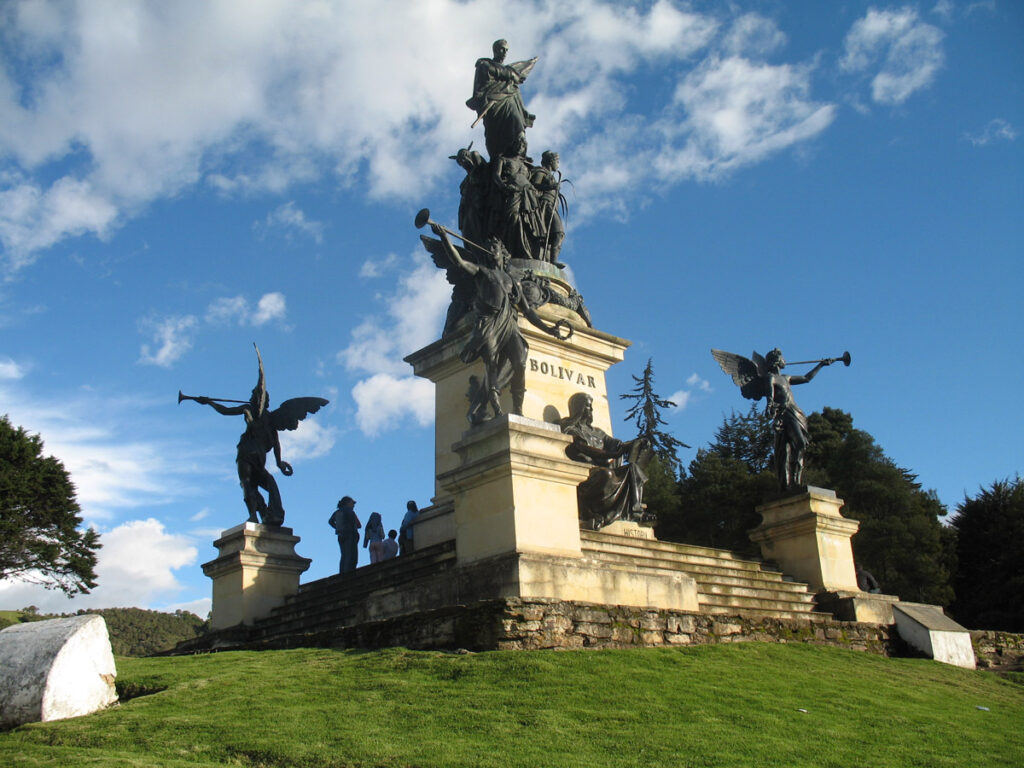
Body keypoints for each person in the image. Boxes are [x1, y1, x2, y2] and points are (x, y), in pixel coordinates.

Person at [430, 223, 569, 424]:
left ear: (503, 254)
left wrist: (549, 329)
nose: (491, 250)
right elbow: (458, 261)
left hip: (509, 323)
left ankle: (518, 408)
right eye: (489, 248)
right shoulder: (482, 272)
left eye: (494, 247)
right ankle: (495, 407)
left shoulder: (513, 281)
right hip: (490, 323)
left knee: (520, 361)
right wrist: (445, 238)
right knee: (492, 365)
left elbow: (528, 311)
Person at [560, 392, 652, 530]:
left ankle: (636, 512)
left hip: (603, 470)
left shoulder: (597, 432)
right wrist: (612, 454)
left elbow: (619, 445)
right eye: (588, 407)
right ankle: (600, 513)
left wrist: (637, 443)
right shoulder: (570, 428)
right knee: (607, 475)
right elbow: (584, 448)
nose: (591, 410)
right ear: (579, 408)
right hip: (586, 472)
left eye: (591, 407)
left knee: (632, 469)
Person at [762, 349, 832, 490]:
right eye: (782, 358)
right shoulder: (771, 378)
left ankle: (795, 481)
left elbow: (806, 378)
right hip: (785, 413)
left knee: (800, 445)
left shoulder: (786, 378)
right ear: (776, 361)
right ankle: (791, 482)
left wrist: (821, 365)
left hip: (795, 412)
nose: (785, 361)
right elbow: (770, 399)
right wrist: (770, 409)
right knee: (798, 443)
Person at [466, 39, 536, 161]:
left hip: (509, 100)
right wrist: (511, 74)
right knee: (494, 133)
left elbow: (515, 89)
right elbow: (484, 83)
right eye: (502, 49)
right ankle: (497, 157)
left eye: (506, 50)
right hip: (493, 104)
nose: (504, 52)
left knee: (517, 122)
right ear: (495, 50)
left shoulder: (509, 74)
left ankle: (521, 153)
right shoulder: (484, 65)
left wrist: (524, 111)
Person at [530, 150, 566, 266]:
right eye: (557, 161)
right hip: (545, 205)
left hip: (552, 206)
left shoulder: (549, 175)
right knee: (558, 232)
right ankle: (553, 260)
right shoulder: (541, 172)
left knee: (557, 234)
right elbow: (534, 185)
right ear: (551, 161)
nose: (558, 164)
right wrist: (550, 186)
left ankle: (551, 259)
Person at [329, 496, 361, 573]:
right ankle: (348, 573)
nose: (353, 505)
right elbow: (356, 524)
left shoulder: (337, 512)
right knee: (351, 555)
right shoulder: (349, 511)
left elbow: (330, 521)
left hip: (341, 535)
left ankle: (342, 572)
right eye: (352, 503)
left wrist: (337, 528)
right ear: (347, 503)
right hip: (350, 535)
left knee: (344, 555)